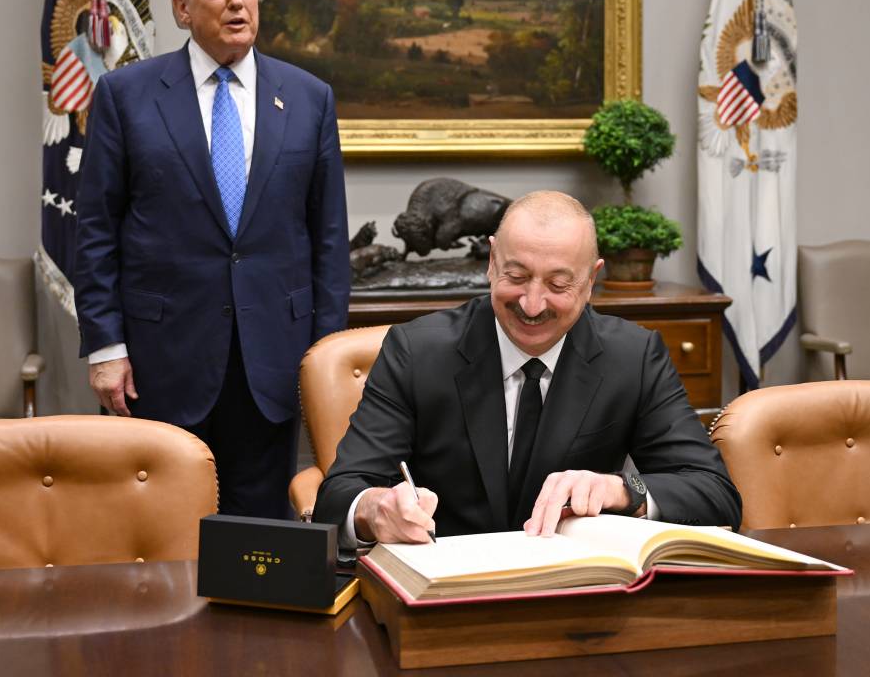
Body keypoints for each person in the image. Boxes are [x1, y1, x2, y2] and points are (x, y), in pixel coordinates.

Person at [74, 0, 350, 519]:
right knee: (161, 528)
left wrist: (325, 356)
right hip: (159, 359)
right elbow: (96, 230)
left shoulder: (309, 98)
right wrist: (105, 346)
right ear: (182, 8)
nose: (236, 1)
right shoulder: (125, 95)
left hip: (271, 357)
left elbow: (328, 238)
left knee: (259, 534)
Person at [313, 191, 741, 544]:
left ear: (591, 280)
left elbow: (714, 493)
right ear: (491, 261)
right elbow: (338, 496)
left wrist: (622, 489)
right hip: (443, 589)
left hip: (577, 593)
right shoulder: (416, 351)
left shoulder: (635, 357)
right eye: (515, 276)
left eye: (558, 284)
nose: (532, 305)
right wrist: (375, 509)